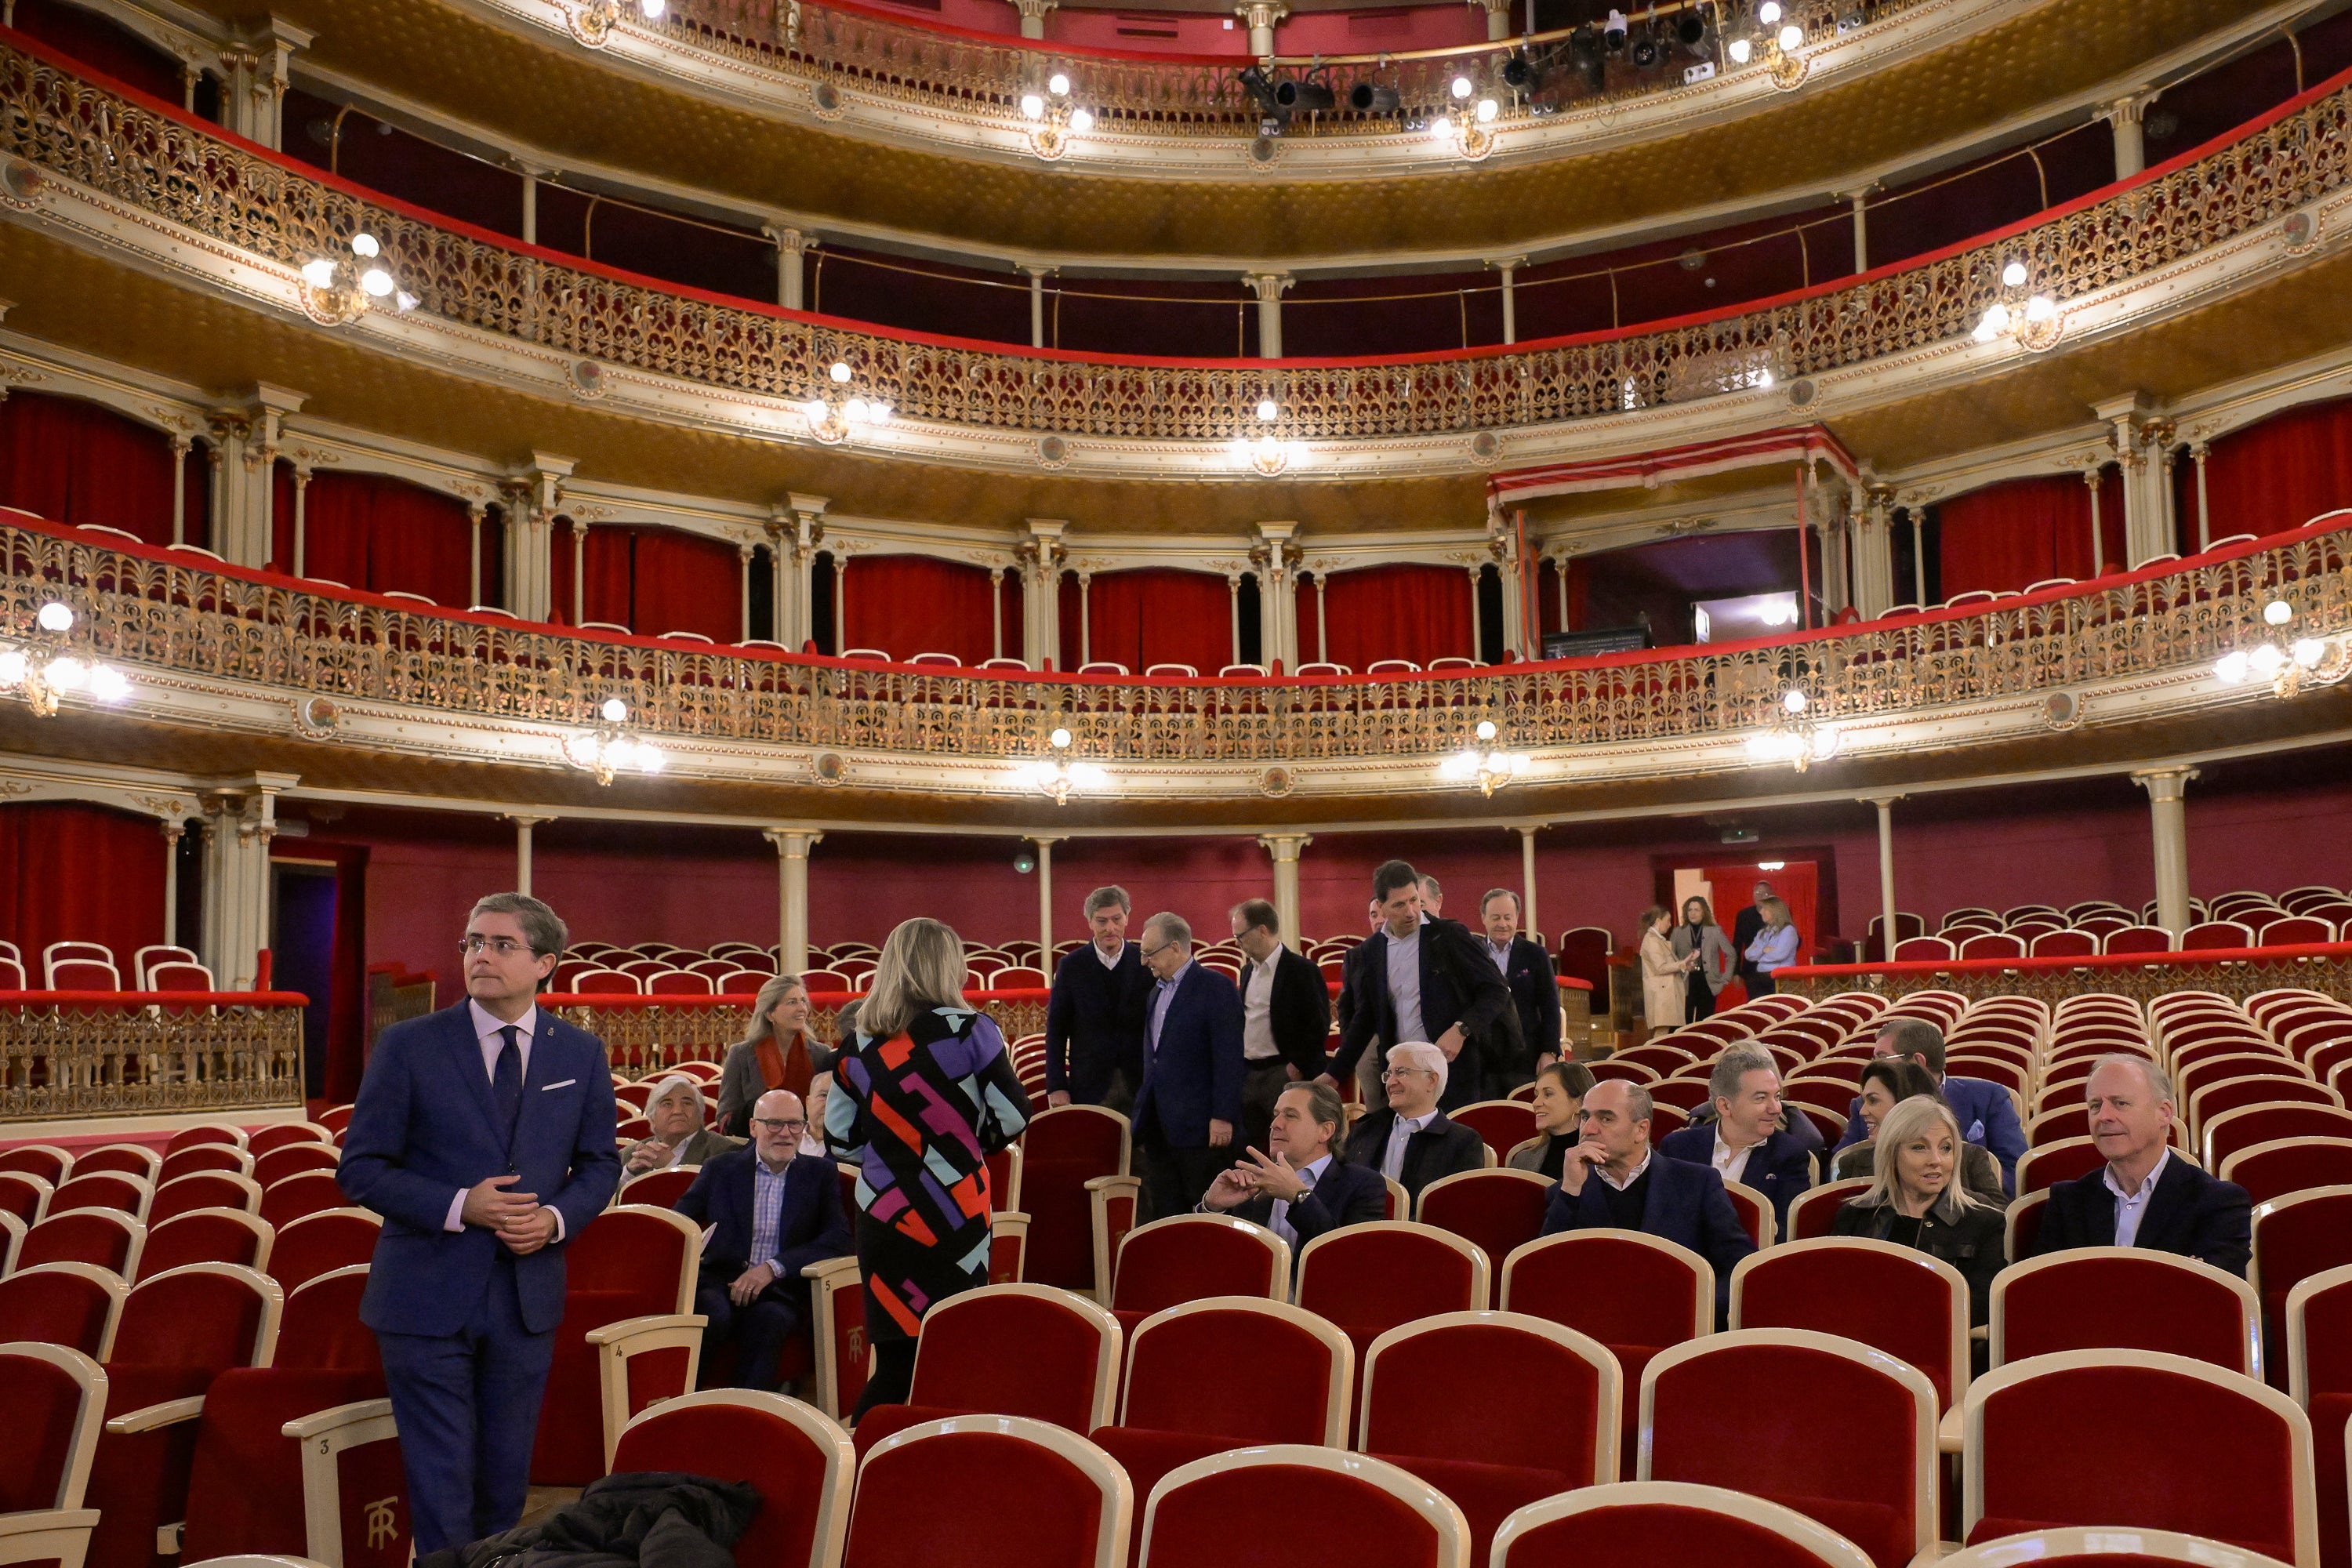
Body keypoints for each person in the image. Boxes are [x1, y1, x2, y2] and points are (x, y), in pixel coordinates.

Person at [339, 893, 620, 1555]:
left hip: (526, 1297)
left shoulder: (579, 1054)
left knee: (502, 1484)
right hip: (424, 1295)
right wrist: (461, 1204)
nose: (480, 956)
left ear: (544, 963)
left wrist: (554, 1220)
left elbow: (601, 1165)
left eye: (500, 944)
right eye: (472, 942)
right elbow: (361, 1168)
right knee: (440, 1486)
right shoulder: (408, 1044)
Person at [826, 917, 1032, 1417]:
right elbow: (1014, 1114)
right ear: (948, 965)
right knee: (955, 1349)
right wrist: (961, 1151)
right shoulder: (972, 1032)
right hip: (957, 1214)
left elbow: (837, 1138)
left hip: (886, 1214)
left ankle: (861, 1466)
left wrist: (889, 1156)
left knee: (894, 1362)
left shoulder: (860, 1042)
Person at [673, 1088, 850, 1389]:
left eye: (795, 1124)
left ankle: (746, 1414)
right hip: (720, 1280)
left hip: (781, 1289)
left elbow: (839, 1238)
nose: (785, 1134)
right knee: (711, 1314)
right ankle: (684, 1400)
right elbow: (678, 1222)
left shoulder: (819, 1173)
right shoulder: (721, 1168)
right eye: (774, 1124)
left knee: (770, 1321)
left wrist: (773, 1267)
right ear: (754, 1127)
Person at [1537, 1079, 1754, 1321]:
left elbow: (1740, 1267)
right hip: (1592, 1330)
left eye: (1606, 1119)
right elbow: (1544, 1276)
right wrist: (1571, 1188)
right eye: (1586, 1117)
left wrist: (1695, 1306)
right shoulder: (1566, 1191)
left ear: (1641, 1130)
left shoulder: (1696, 1184)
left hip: (1678, 1329)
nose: (1588, 1129)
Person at [2034, 1054, 2251, 1276]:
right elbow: (2049, 1294)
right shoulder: (2067, 1202)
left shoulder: (2218, 1202)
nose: (2104, 1116)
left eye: (2121, 1103)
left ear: (2164, 1114)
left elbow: (2214, 1299)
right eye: (2095, 1106)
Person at [1330, 859, 1519, 1112]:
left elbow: (1496, 989)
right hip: (1400, 1074)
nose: (1410, 911)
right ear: (1381, 907)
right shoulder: (1371, 952)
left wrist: (1461, 1029)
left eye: (1414, 900)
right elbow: (1365, 1019)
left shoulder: (1449, 936)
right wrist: (1334, 1073)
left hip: (1452, 1070)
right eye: (1399, 904)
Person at [1831, 1095, 2005, 1326]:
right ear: (1891, 1153)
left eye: (1946, 1148)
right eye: (1919, 1147)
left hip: (1943, 1349)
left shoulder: (1985, 1221)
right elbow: (1836, 1299)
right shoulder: (1855, 1215)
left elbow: (1981, 1311)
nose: (1936, 1160)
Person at [1131, 911, 1247, 1220]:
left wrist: (1222, 1115)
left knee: (1203, 1210)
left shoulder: (1216, 988)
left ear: (1176, 948)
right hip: (1158, 1125)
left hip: (1200, 1127)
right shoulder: (1154, 994)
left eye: (1149, 953)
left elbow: (1229, 1058)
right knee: (1165, 1211)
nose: (1144, 962)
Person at [1833, 1016, 2027, 1193]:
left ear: (1918, 1061)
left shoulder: (1988, 1098)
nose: (1873, 1065)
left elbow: (2015, 1170)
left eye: (1882, 1058)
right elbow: (1838, 1168)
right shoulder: (1866, 1106)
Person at [1200, 1080, 1385, 1254]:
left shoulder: (1365, 1185)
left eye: (1290, 1115)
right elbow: (1212, 1256)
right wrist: (1212, 1207)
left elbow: (1349, 1257)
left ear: (1326, 1131)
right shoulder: (1250, 1177)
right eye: (1276, 1115)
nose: (1275, 1124)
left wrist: (1297, 1197)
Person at [1657, 1045, 1811, 1232]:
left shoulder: (1789, 1154)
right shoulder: (1678, 1148)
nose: (1776, 1108)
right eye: (1761, 1098)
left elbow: (1783, 1234)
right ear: (1725, 1106)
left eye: (1777, 1096)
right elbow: (1658, 1220)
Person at [1831, 1058, 2007, 1209]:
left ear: (1907, 1104)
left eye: (1873, 1100)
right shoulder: (1851, 1163)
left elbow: (2000, 1218)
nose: (1863, 1111)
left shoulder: (1970, 1158)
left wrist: (1942, 1187)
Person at [1230, 898, 1331, 1159]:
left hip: (1285, 1072)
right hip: (1250, 1072)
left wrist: (1296, 1064)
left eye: (1240, 936)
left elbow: (1318, 1023)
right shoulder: (1247, 971)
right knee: (1249, 1147)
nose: (1237, 942)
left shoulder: (1302, 970)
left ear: (1262, 930)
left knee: (1290, 1147)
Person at [1044, 885, 1152, 1114]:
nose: (1110, 928)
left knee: (1144, 1149)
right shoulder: (1071, 966)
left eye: (1116, 919)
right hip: (1090, 1082)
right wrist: (1057, 1085)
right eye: (1102, 921)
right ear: (1090, 922)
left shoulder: (1145, 963)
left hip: (1141, 1081)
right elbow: (1056, 1029)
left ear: (1127, 918)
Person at [1340, 1041, 1486, 1202]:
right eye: (1388, 1075)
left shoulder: (1462, 1142)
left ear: (1431, 1080)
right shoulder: (1365, 1129)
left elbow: (1455, 1208)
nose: (1391, 1082)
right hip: (1360, 1225)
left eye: (1401, 1072)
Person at [716, 975, 815, 1138]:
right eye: (792, 1002)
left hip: (806, 1147)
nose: (801, 1009)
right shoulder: (741, 1054)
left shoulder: (820, 1054)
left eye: (803, 1001)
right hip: (754, 1147)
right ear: (769, 1014)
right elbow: (724, 1119)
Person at [1479, 888, 1561, 1082]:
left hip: (1526, 1054)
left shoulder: (1536, 954)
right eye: (1496, 917)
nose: (1502, 924)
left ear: (1517, 918)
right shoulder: (1474, 953)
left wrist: (1549, 1051)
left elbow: (1550, 1006)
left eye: (1508, 917)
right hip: (1483, 1057)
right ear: (1483, 918)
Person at [622, 1075, 739, 1175]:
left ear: (700, 1115)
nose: (678, 1111)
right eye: (667, 1104)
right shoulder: (627, 1155)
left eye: (687, 1103)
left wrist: (672, 1166)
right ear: (652, 1118)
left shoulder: (724, 1152)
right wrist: (628, 1174)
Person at [1508, 1059, 1597, 1178]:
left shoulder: (1603, 1160)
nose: (1536, 1103)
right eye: (1536, 1095)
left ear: (1580, 1103)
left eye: (1548, 1094)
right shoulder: (1523, 1160)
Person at [1670, 897, 1737, 1022]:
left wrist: (1725, 978)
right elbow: (1670, 957)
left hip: (1708, 982)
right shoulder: (1678, 932)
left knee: (1704, 1023)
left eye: (1697, 910)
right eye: (1690, 910)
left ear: (1704, 912)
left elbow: (1731, 954)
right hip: (1685, 981)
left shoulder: (1715, 931)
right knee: (1684, 1022)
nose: (1693, 913)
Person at [1639, 905, 1693, 1036]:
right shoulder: (1652, 940)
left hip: (1664, 990)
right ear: (1658, 921)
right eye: (1668, 921)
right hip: (1661, 992)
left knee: (1664, 1031)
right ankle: (1654, 1056)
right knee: (1662, 1031)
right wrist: (1682, 964)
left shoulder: (1657, 940)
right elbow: (1660, 967)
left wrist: (1684, 965)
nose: (1670, 925)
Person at [1741, 896, 1802, 996]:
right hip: (1762, 976)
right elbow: (1748, 954)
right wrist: (1763, 950)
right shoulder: (1762, 932)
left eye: (1765, 909)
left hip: (1781, 978)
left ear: (1775, 911)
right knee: (1752, 983)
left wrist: (1760, 957)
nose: (1761, 912)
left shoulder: (1788, 930)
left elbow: (1779, 955)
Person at [1731, 880, 1776, 992]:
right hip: (1751, 971)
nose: (1761, 897)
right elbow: (1737, 944)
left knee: (1775, 1005)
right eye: (1758, 893)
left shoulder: (1778, 914)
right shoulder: (1744, 915)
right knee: (1755, 1005)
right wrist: (1736, 972)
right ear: (1753, 895)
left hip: (1774, 970)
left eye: (1765, 894)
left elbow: (1793, 940)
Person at [799, 1072, 832, 1157]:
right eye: (823, 1095)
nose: (829, 1103)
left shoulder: (857, 1152)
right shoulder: (786, 1137)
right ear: (808, 1103)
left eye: (837, 1098)